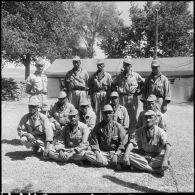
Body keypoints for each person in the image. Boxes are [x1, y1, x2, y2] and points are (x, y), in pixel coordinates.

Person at [123, 110, 171, 176]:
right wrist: (126, 155)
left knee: (168, 159)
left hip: (155, 157)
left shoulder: (160, 132)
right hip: (143, 156)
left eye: (150, 117)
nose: (148, 120)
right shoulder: (139, 131)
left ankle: (141, 166)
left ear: (155, 119)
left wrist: (165, 161)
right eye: (146, 118)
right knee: (128, 154)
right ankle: (153, 170)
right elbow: (132, 143)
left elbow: (168, 146)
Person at [84, 105, 126, 170]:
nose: (107, 115)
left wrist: (116, 154)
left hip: (114, 153)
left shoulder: (119, 127)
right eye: (105, 113)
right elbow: (94, 143)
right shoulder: (98, 127)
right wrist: (98, 155)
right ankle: (111, 164)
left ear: (113, 113)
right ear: (102, 114)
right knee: (87, 154)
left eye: (109, 112)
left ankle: (104, 163)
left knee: (129, 156)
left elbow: (122, 144)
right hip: (103, 153)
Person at [112, 57, 144, 134]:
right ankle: (123, 133)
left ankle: (132, 134)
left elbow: (143, 83)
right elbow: (113, 84)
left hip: (132, 97)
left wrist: (139, 91)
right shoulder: (119, 76)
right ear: (123, 65)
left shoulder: (135, 75)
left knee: (132, 116)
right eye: (125, 65)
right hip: (122, 97)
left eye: (128, 65)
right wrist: (116, 92)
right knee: (122, 115)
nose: (126, 66)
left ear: (131, 66)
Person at [89, 59, 112, 123]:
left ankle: (104, 124)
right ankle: (97, 126)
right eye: (98, 65)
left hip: (104, 93)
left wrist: (108, 98)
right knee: (96, 111)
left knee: (105, 110)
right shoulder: (93, 76)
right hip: (96, 94)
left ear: (104, 65)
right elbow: (90, 89)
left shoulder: (108, 75)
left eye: (100, 65)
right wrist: (91, 99)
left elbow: (110, 88)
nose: (99, 66)